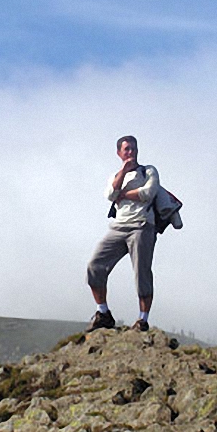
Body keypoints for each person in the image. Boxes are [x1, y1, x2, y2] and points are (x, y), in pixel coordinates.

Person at [86, 136, 159, 332]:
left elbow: (148, 193)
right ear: (119, 153)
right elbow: (110, 194)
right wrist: (124, 172)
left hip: (142, 226)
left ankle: (142, 320)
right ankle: (103, 313)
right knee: (95, 266)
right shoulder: (115, 175)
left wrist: (123, 194)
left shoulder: (149, 170)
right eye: (126, 149)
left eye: (134, 148)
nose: (131, 152)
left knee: (142, 273)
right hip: (118, 227)